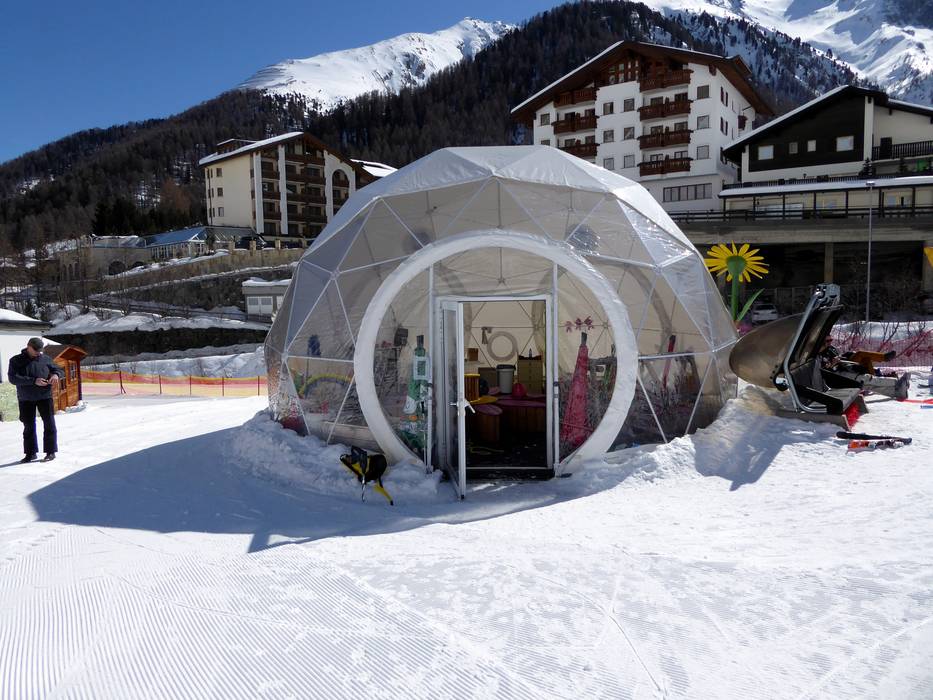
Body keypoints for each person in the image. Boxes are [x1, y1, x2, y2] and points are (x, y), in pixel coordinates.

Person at [6, 337, 64, 462]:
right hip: (25, 398)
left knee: (49, 424)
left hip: (45, 396)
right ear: (29, 347)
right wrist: (34, 381)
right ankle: (30, 453)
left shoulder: (46, 359)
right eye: (36, 350)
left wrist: (56, 375)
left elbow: (58, 369)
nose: (38, 352)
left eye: (40, 350)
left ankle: (50, 452)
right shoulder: (15, 360)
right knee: (28, 426)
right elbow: (13, 378)